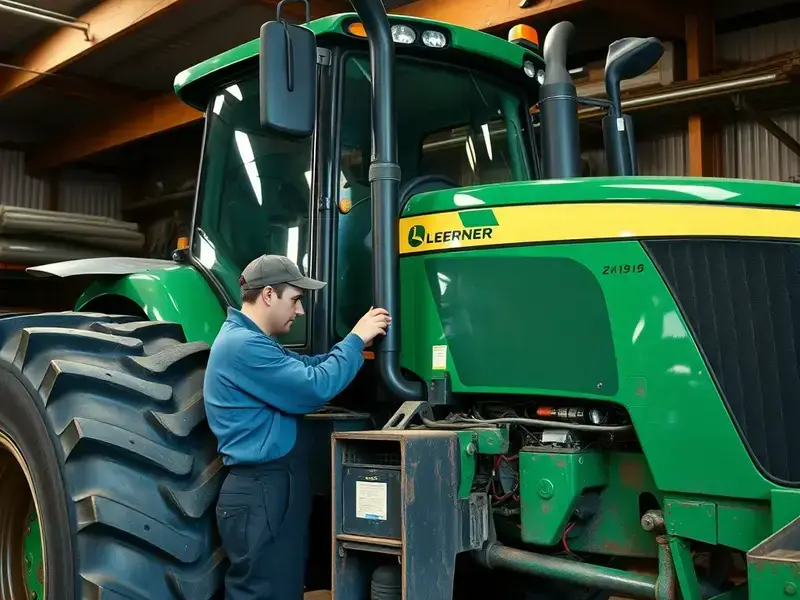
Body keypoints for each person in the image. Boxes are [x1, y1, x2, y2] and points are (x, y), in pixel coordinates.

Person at [204, 253, 391, 600]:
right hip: (261, 488)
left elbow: (309, 366)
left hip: (273, 486)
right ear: (269, 295)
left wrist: (355, 350)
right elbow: (313, 386)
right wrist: (354, 339)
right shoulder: (243, 346)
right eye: (295, 299)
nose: (300, 311)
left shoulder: (255, 343)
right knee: (263, 593)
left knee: (283, 589)